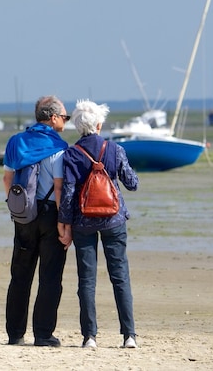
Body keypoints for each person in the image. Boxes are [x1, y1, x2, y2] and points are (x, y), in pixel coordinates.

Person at [57, 99, 140, 349]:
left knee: (87, 280)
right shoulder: (114, 149)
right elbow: (132, 183)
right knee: (120, 277)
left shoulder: (72, 153)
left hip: (83, 222)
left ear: (78, 127)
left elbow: (69, 194)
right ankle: (129, 336)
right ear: (99, 124)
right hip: (113, 220)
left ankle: (90, 337)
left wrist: (64, 223)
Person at [2, 95, 71, 346]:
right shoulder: (59, 147)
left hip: (23, 215)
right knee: (50, 276)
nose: (66, 121)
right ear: (52, 118)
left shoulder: (16, 141)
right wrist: (65, 222)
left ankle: (15, 334)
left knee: (20, 274)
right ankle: (42, 334)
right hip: (50, 213)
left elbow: (7, 180)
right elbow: (59, 187)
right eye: (65, 117)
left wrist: (17, 208)